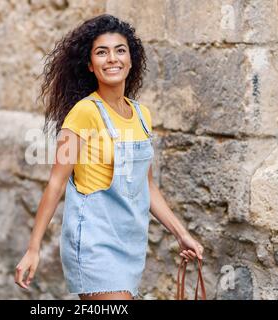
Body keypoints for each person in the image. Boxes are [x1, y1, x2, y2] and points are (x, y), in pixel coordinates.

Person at [15, 14, 204, 300]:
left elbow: (147, 186)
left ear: (131, 60)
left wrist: (181, 234)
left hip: (129, 244)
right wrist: (33, 248)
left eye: (120, 50)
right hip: (93, 243)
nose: (112, 59)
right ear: (90, 65)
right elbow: (56, 183)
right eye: (101, 52)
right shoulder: (83, 113)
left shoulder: (142, 115)